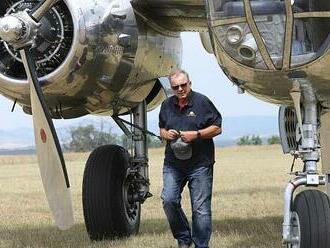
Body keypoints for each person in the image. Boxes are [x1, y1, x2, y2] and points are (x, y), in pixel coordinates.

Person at [159, 69, 222, 248]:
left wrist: (197, 134)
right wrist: (166, 134)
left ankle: (201, 245)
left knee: (200, 210)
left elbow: (217, 127)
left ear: (190, 84)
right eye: (175, 87)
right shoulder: (166, 105)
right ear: (171, 88)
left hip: (200, 164)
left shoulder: (202, 102)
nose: (180, 89)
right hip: (173, 163)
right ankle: (184, 238)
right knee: (169, 200)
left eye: (183, 85)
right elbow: (161, 129)